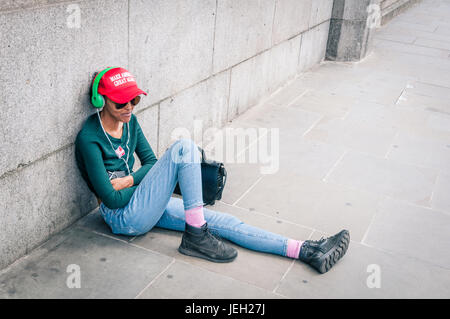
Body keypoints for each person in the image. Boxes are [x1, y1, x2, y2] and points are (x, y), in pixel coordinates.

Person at [74, 67, 350, 274]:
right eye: (121, 102)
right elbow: (111, 200)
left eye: (134, 100)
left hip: (141, 199)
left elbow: (149, 163)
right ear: (102, 100)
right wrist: (141, 183)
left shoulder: (129, 121)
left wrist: (130, 181)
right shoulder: (90, 138)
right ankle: (196, 236)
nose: (129, 108)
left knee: (226, 223)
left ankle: (304, 250)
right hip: (125, 218)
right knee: (183, 148)